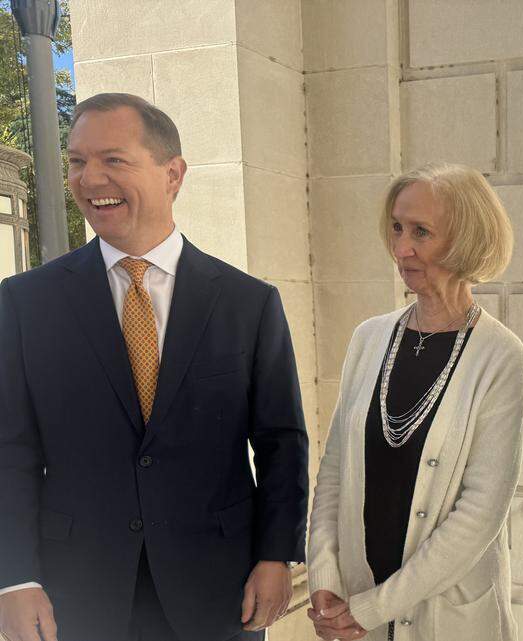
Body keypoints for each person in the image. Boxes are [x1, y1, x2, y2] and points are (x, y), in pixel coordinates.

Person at [0, 93, 308, 641]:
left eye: (113, 160)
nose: (90, 178)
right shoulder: (25, 303)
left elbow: (281, 441)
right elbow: (10, 450)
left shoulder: (248, 303)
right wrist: (14, 578)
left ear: (173, 174)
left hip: (218, 589)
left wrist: (276, 555)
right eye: (77, 161)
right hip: (78, 592)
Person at [306, 163, 523, 641]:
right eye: (397, 227)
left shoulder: (500, 355)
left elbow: (480, 513)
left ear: (465, 240)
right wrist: (324, 576)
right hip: (355, 612)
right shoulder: (368, 338)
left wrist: (375, 607)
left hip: (447, 619)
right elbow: (334, 473)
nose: (401, 248)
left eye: (421, 232)